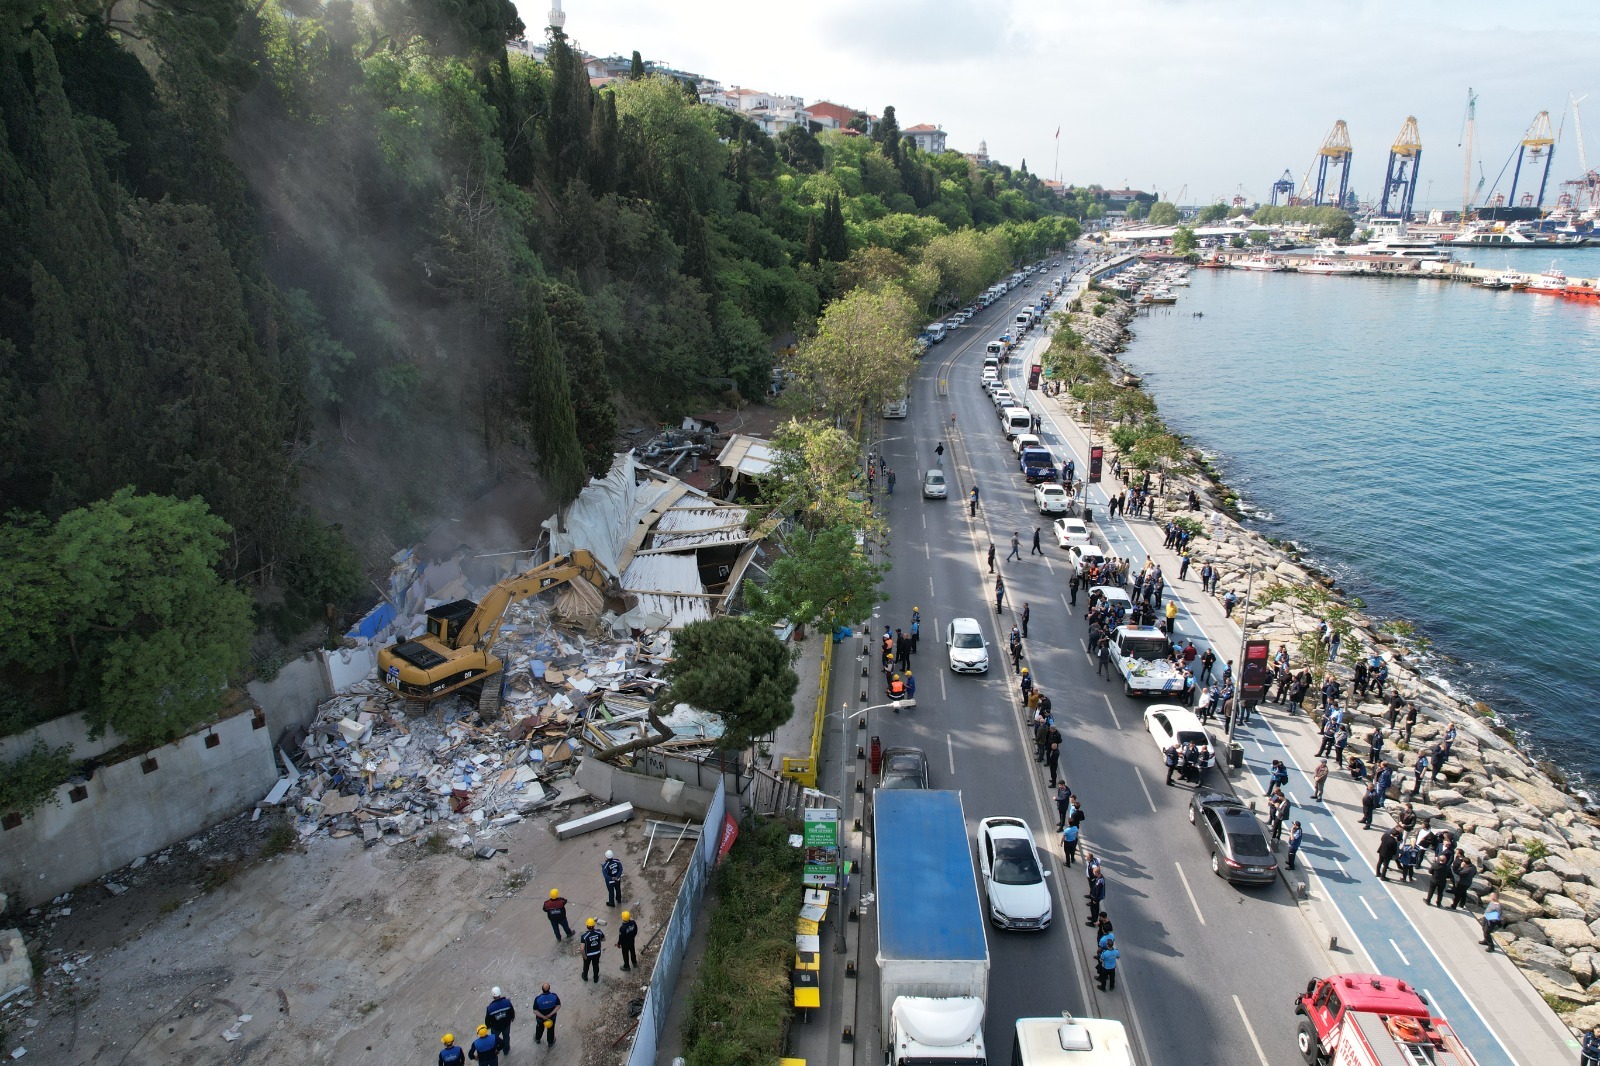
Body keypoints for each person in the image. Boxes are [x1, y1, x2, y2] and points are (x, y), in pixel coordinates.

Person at [485, 987, 516, 1055]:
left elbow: (487, 1019)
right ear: (499, 994)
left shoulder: (490, 1008)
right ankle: (506, 1050)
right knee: (506, 1037)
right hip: (506, 1025)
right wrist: (512, 1017)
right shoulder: (507, 1002)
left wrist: (488, 1026)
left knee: (494, 1039)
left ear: (493, 996)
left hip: (495, 1028)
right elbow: (512, 1011)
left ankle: (495, 1050)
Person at [580, 917, 606, 982]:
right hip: (597, 953)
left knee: (586, 966)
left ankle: (585, 977)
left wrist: (584, 956)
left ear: (587, 926)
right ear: (594, 925)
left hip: (588, 955)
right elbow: (603, 939)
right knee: (596, 966)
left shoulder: (584, 936)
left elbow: (582, 949)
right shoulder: (599, 932)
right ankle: (596, 978)